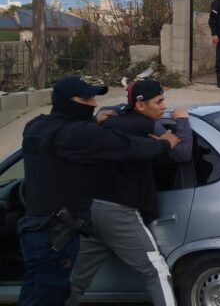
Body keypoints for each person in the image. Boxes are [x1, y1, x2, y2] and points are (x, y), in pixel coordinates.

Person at [17, 76, 178, 306]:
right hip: (56, 236)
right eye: (85, 98)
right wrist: (165, 144)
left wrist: (94, 121)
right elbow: (128, 146)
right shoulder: (79, 135)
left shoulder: (36, 126)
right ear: (66, 101)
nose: (93, 102)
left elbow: (65, 141)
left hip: (36, 231)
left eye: (93, 96)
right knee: (48, 296)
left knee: (43, 292)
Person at [67, 80, 192, 306]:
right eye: (159, 101)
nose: (164, 106)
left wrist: (101, 116)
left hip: (92, 210)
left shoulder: (111, 122)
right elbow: (183, 152)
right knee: (156, 271)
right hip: (120, 212)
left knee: (76, 280)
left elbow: (110, 115)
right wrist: (182, 121)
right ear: (141, 106)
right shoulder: (145, 127)